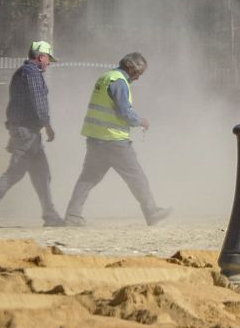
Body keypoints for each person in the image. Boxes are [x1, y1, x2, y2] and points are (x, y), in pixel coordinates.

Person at [62, 52, 171, 227]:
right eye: (138, 74)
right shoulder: (119, 81)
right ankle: (152, 212)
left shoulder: (106, 77)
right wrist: (140, 121)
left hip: (95, 138)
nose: (138, 78)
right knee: (137, 177)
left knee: (88, 178)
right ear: (130, 68)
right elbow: (124, 111)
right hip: (114, 140)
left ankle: (72, 215)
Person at [0, 41, 64, 228]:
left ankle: (50, 214)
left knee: (42, 174)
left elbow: (16, 105)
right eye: (48, 59)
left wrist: (14, 132)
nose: (49, 63)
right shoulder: (32, 74)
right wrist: (48, 125)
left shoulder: (23, 73)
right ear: (40, 57)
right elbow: (39, 103)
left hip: (24, 131)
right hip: (27, 132)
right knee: (15, 173)